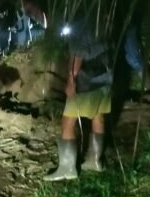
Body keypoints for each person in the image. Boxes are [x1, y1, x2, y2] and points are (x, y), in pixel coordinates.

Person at [45, 19, 112, 181]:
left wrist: (71, 81)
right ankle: (94, 161)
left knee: (68, 121)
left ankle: (68, 169)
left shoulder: (81, 19)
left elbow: (78, 54)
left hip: (87, 80)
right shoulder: (103, 16)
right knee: (98, 115)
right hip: (106, 75)